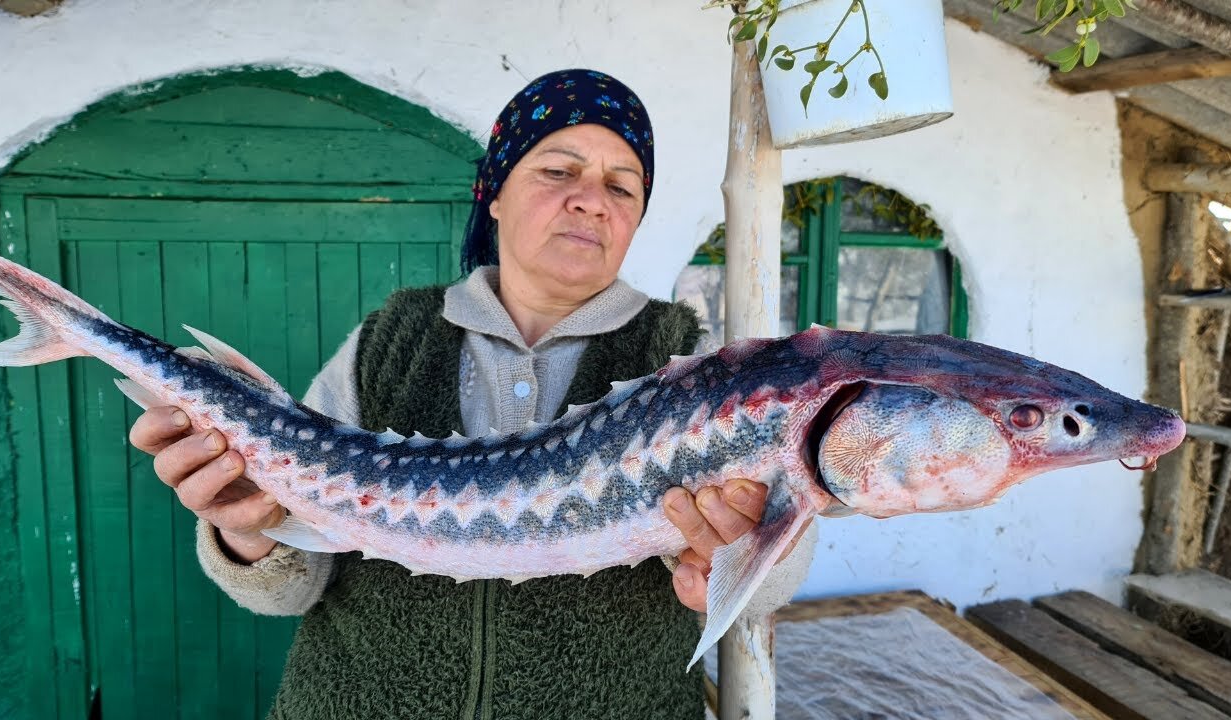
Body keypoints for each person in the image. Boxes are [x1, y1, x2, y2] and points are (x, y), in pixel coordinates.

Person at [128, 68, 817, 719]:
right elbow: (293, 583)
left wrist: (746, 560)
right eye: (559, 170)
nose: (591, 200)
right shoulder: (390, 339)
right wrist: (246, 530)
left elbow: (764, 576)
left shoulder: (690, 366)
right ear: (495, 190)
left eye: (623, 185)